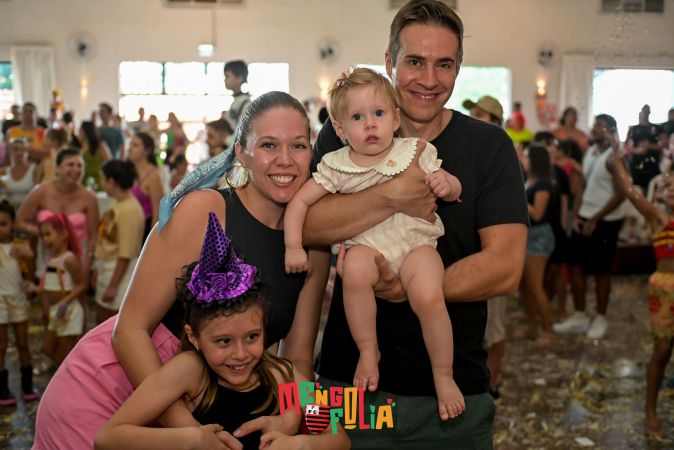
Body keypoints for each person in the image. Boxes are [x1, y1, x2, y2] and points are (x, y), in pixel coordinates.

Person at [33, 91, 331, 450]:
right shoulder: (207, 210)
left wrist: (306, 425)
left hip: (207, 405)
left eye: (298, 146)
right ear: (241, 153)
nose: (285, 160)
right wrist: (186, 429)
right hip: (114, 391)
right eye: (269, 145)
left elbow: (297, 363)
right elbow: (129, 330)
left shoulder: (313, 247)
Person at [304, 1, 528, 447]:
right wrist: (390, 195)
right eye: (414, 62)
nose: (429, 79)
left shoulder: (489, 146)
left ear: (459, 68)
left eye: (444, 64)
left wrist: (409, 287)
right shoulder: (347, 130)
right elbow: (307, 225)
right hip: (347, 383)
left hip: (455, 391)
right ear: (389, 62)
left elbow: (506, 267)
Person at [285, 67, 464, 420]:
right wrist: (293, 246)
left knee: (429, 296)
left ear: (395, 119)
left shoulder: (414, 151)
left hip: (415, 244)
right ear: (340, 130)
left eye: (378, 113)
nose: (369, 124)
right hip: (368, 247)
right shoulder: (337, 166)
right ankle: (368, 350)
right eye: (357, 117)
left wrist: (447, 185)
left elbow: (452, 185)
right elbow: (300, 204)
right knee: (353, 270)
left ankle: (443, 375)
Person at [95, 212, 349, 450]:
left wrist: (301, 444)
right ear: (194, 337)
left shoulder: (287, 377)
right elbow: (108, 437)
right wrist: (190, 438)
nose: (240, 353)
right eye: (224, 341)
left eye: (252, 337)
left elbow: (338, 437)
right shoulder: (188, 372)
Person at [605, 137, 674, 439]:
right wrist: (617, 158)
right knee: (662, 350)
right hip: (665, 290)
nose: (670, 190)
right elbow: (629, 190)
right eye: (668, 187)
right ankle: (650, 412)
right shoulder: (659, 218)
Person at [554, 114, 627, 340]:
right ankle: (580, 315)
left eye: (601, 126)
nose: (595, 129)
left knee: (601, 271)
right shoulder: (591, 151)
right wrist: (577, 215)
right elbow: (583, 187)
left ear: (611, 130)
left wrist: (595, 219)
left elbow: (622, 194)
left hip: (606, 221)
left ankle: (601, 317)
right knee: (576, 266)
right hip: (584, 216)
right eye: (594, 125)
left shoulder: (614, 157)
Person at [463, 94, 509, 398]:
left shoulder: (501, 156)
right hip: (471, 251)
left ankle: (493, 382)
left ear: (495, 122)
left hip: (492, 252)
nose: (473, 119)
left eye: (480, 114)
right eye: (474, 113)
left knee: (495, 324)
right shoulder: (470, 151)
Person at [16, 147, 99, 272]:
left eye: (80, 166)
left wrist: (88, 264)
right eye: (70, 165)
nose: (76, 170)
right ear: (57, 168)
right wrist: (41, 232)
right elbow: (19, 221)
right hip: (46, 257)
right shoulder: (41, 192)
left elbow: (93, 237)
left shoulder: (89, 198)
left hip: (77, 261)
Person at [93, 160, 145, 324]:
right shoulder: (118, 203)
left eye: (103, 179)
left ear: (111, 181)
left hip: (119, 273)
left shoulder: (130, 210)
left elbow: (126, 253)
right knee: (101, 316)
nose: (102, 183)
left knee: (109, 322)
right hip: (107, 268)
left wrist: (113, 286)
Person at [0, 200, 38, 405]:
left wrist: (28, 258)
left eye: (3, 224)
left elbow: (30, 275)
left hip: (18, 298)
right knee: (1, 345)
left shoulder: (20, 247)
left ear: (13, 224)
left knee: (23, 343)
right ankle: (2, 389)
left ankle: (27, 385)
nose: (0, 228)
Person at [37, 213, 87, 365]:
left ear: (64, 234)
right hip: (56, 312)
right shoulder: (53, 259)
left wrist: (65, 301)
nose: (44, 239)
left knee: (65, 353)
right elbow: (51, 285)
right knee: (48, 348)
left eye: (48, 234)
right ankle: (67, 371)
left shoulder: (69, 260)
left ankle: (70, 373)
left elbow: (82, 284)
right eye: (42, 236)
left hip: (69, 312)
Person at [520, 145, 556, 346]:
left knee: (535, 286)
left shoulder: (543, 184)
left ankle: (548, 330)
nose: (524, 159)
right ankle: (532, 326)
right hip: (528, 235)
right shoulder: (530, 180)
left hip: (539, 236)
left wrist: (517, 196)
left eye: (526, 156)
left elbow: (538, 213)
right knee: (525, 286)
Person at [128, 132, 164, 239]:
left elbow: (157, 211)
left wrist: (152, 238)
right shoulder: (130, 171)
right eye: (130, 144)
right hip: (131, 226)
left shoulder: (153, 176)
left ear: (147, 151)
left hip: (145, 229)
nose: (130, 148)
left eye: (135, 145)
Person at [0, 137, 38, 209]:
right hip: (9, 211)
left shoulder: (35, 170)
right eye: (16, 149)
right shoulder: (3, 172)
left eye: (23, 150)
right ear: (10, 151)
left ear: (27, 152)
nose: (19, 153)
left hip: (28, 210)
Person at [77, 120, 112, 190]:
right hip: (83, 179)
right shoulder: (81, 145)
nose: (79, 132)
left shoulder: (100, 145)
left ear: (84, 131)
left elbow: (109, 162)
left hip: (96, 179)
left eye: (80, 130)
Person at [224, 60, 252, 133]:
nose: (225, 80)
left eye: (227, 76)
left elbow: (240, 133)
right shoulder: (237, 100)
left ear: (239, 78)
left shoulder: (245, 103)